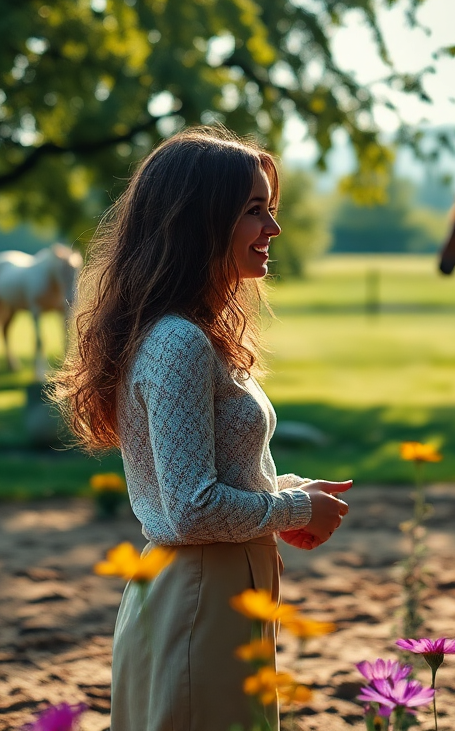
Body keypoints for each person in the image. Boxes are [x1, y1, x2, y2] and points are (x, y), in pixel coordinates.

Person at [51, 126, 353, 730]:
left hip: (220, 591)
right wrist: (294, 509)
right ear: (199, 220)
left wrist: (289, 490)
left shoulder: (189, 333)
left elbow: (208, 478)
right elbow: (191, 509)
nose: (273, 229)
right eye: (253, 211)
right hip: (200, 598)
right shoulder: (179, 342)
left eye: (270, 209)